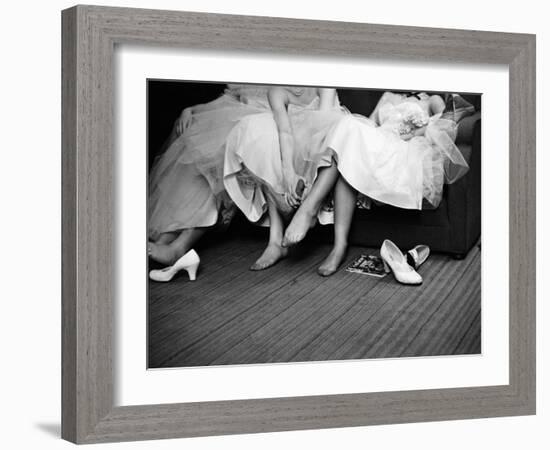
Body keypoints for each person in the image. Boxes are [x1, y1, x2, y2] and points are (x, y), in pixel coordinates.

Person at [281, 91, 471, 276]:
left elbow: (445, 127)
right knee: (348, 139)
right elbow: (370, 125)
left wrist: (410, 132)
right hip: (379, 146)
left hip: (404, 152)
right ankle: (338, 246)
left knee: (347, 141)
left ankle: (310, 212)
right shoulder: (387, 95)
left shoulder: (432, 99)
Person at [148, 84, 275, 265]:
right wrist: (192, 110)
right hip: (238, 119)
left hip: (266, 125)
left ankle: (179, 247)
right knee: (195, 144)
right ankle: (166, 238)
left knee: (216, 155)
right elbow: (228, 101)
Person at [223, 86, 346, 270]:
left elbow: (322, 130)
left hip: (324, 139)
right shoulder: (276, 91)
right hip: (296, 139)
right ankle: (275, 241)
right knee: (268, 142)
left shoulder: (323, 83)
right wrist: (289, 174)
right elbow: (285, 132)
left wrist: (308, 179)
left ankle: (308, 209)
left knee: (340, 138)